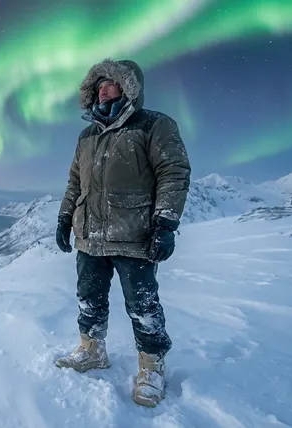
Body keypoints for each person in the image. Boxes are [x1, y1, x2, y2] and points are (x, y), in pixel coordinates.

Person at [53, 58, 191, 408]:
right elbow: (75, 183)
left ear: (129, 87)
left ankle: (151, 366)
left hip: (134, 234)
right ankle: (91, 350)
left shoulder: (154, 125)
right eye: (98, 85)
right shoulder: (87, 136)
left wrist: (165, 223)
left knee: (143, 305)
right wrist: (65, 218)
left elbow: (173, 172)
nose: (103, 89)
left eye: (111, 83)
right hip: (90, 235)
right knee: (89, 298)